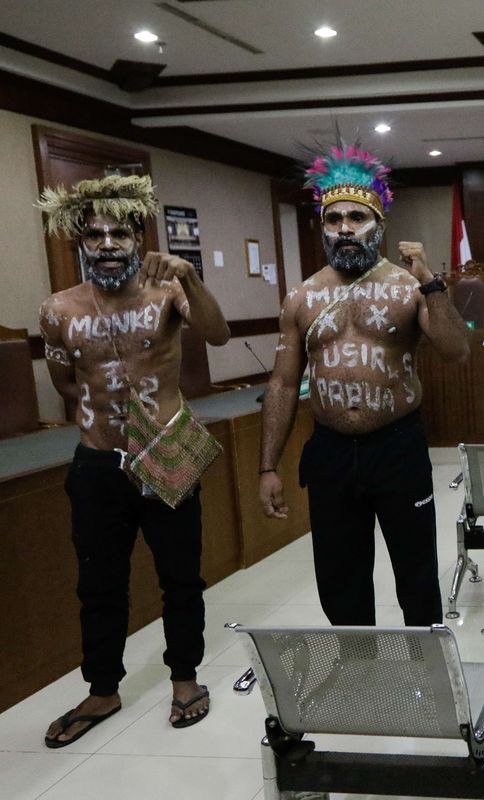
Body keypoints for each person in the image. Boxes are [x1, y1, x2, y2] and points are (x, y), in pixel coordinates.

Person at [36, 175, 231, 746]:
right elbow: (66, 382)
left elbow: (218, 335)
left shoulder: (168, 294)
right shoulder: (58, 309)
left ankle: (185, 679)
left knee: (180, 578)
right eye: (93, 234)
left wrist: (190, 276)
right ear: (78, 242)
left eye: (119, 231)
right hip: (98, 463)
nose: (107, 244)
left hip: (166, 449)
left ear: (137, 237)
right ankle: (103, 687)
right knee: (98, 581)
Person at [259, 143, 470, 627]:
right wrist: (266, 466)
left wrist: (430, 284)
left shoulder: (406, 286)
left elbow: (458, 351)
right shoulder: (302, 297)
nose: (346, 229)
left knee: (416, 573)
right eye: (335, 220)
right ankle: (360, 678)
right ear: (323, 226)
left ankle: (428, 679)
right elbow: (284, 384)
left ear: (379, 224)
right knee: (340, 576)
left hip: (396, 448)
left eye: (358, 217)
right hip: (331, 452)